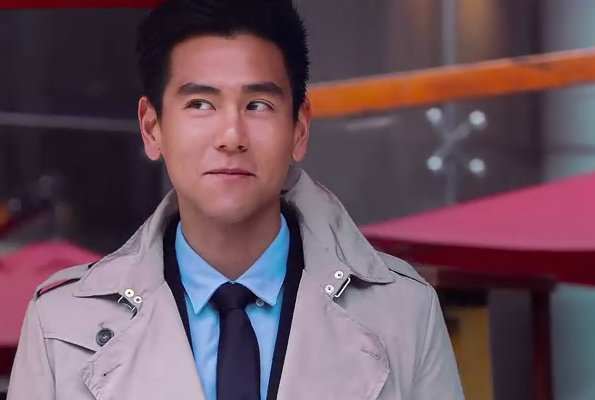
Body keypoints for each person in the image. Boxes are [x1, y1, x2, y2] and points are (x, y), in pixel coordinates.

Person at [7, 0, 464, 399]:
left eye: (258, 105)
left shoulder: (404, 313)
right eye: (200, 104)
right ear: (152, 128)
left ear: (300, 128)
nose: (231, 136)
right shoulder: (61, 324)